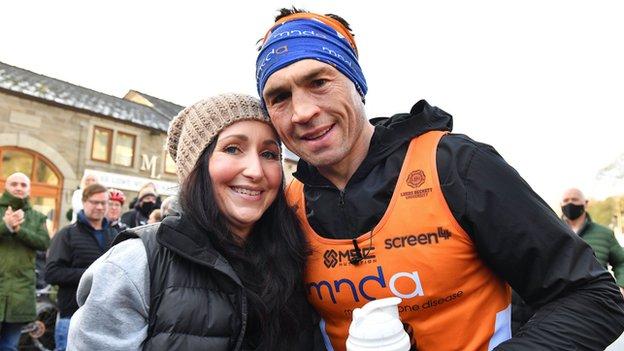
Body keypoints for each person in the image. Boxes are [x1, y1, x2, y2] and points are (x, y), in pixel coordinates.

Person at [255, 8, 624, 350]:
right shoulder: (287, 204)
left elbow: (593, 297)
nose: (303, 111)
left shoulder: (457, 167)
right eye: (280, 97)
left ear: (356, 83)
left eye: (319, 82)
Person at [67, 93, 315, 350]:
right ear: (196, 167)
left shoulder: (295, 256)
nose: (255, 170)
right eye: (232, 149)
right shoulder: (134, 264)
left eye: (269, 154)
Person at [45, 183, 117, 351]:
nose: (99, 207)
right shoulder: (67, 234)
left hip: (105, 317)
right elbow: (52, 273)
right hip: (72, 315)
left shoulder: (114, 235)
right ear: (84, 202)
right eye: (94, 202)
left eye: (104, 203)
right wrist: (90, 275)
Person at [0, 172, 50, 351]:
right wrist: (5, 226)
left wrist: (19, 230)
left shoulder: (37, 217)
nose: (19, 188)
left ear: (29, 189)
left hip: (20, 292)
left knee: (9, 346)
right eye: (14, 184)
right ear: (6, 187)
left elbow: (44, 242)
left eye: (23, 184)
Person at [561, 188, 624, 292]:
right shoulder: (552, 232)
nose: (570, 203)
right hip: (561, 300)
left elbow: (621, 262)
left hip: (598, 298)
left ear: (585, 204)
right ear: (561, 204)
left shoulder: (604, 233)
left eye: (574, 199)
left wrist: (621, 287)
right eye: (566, 200)